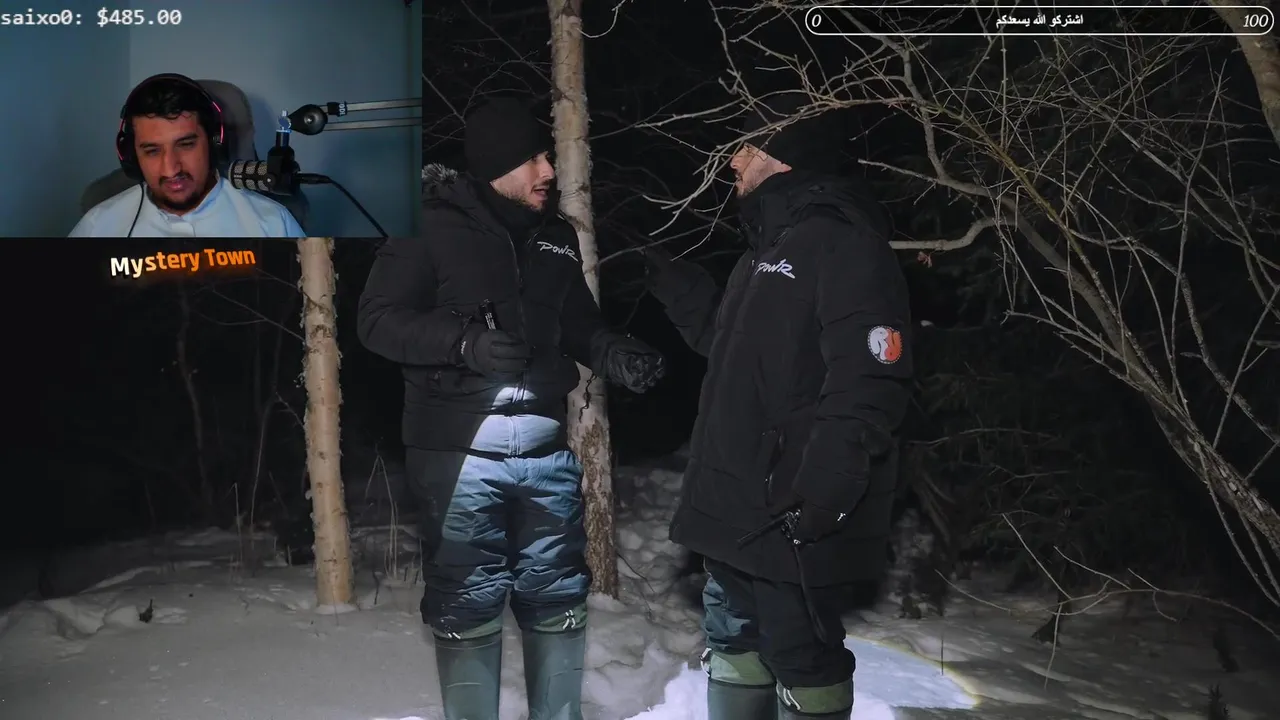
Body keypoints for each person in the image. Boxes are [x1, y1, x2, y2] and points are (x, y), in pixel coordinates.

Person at [356, 96, 666, 720]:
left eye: (547, 155)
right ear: (496, 165)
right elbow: (377, 321)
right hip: (457, 454)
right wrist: (463, 344)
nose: (548, 170)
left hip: (546, 450)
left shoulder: (555, 237)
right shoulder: (428, 226)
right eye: (533, 158)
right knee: (467, 598)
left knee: (558, 593)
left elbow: (576, 322)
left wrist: (611, 350)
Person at [643, 92, 912, 720]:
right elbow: (735, 347)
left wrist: (823, 491)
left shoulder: (844, 243)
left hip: (786, 513)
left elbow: (870, 377)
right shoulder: (765, 250)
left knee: (803, 656)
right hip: (734, 513)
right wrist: (678, 287)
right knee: (733, 645)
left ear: (783, 154)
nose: (734, 162)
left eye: (747, 148)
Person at [70, 73, 304, 238]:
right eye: (152, 151)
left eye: (186, 145)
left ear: (214, 143)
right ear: (131, 155)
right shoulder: (97, 226)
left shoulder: (273, 224)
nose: (171, 169)